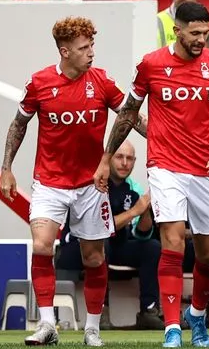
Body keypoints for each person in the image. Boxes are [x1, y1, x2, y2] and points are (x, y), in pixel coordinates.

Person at [94, 2, 209, 348]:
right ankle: (172, 327)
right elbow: (128, 113)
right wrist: (105, 157)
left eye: (205, 33)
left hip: (205, 169)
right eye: (194, 34)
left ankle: (197, 314)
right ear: (177, 31)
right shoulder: (152, 64)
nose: (200, 40)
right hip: (165, 166)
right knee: (173, 240)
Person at [0, 16, 145, 346]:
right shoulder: (39, 83)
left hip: (91, 186)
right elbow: (18, 125)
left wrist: (165, 139)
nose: (91, 52)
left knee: (93, 257)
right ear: (65, 52)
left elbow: (131, 116)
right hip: (50, 182)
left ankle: (92, 328)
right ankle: (48, 324)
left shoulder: (103, 82)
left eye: (92, 45)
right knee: (41, 244)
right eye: (84, 48)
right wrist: (7, 167)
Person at [55, 140, 163, 330]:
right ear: (109, 158)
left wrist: (144, 210)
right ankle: (101, 313)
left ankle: (149, 310)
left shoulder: (133, 189)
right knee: (101, 243)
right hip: (77, 248)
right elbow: (99, 227)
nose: (124, 163)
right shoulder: (94, 182)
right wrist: (133, 212)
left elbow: (143, 234)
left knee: (152, 247)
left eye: (129, 159)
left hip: (115, 246)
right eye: (120, 157)